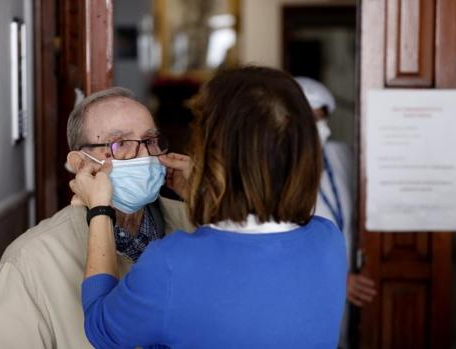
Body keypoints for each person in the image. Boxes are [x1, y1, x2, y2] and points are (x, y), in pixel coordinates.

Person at [71, 66, 348, 348]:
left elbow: (100, 329)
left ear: (211, 150)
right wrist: (206, 188)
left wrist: (99, 211)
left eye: (150, 141)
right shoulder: (328, 239)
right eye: (122, 144)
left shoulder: (171, 264)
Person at [0, 87, 194, 349]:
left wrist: (207, 202)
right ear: (80, 163)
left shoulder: (198, 226)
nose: (146, 156)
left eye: (150, 141)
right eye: (121, 144)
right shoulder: (30, 261)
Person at [295, 77, 377, 347]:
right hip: (304, 294)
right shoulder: (271, 170)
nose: (323, 130)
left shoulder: (340, 154)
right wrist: (336, 280)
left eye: (323, 119)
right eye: (313, 119)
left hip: (350, 293)